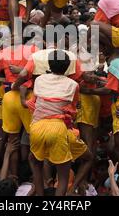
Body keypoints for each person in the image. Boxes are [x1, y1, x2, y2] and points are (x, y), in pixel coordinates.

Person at [28, 50, 92, 196]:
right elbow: (72, 111)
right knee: (63, 177)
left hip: (37, 127)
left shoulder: (39, 80)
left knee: (34, 161)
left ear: (49, 64)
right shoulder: (73, 85)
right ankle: (69, 192)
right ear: (68, 66)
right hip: (58, 129)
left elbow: (35, 102)